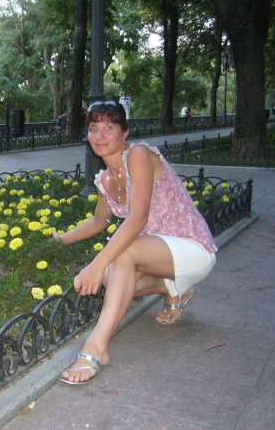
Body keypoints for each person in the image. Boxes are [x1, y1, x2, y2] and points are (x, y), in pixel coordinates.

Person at [54, 101, 217, 385]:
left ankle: (96, 347)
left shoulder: (139, 155)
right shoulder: (105, 180)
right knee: (112, 277)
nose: (100, 135)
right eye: (93, 128)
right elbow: (98, 221)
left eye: (109, 127)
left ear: (125, 132)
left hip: (191, 248)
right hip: (158, 256)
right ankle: (174, 288)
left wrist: (94, 266)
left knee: (121, 253)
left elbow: (138, 218)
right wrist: (60, 240)